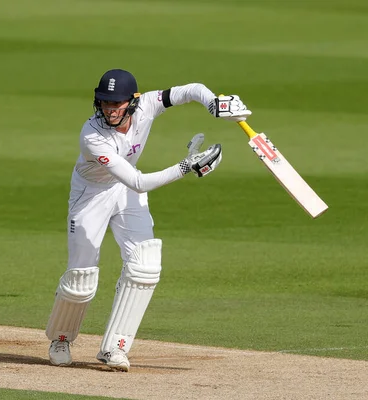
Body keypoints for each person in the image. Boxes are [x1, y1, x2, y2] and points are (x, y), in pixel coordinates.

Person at [45, 69, 251, 372]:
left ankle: (115, 348)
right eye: (104, 103)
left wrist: (214, 104)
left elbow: (191, 88)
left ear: (133, 101)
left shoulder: (148, 105)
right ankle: (61, 338)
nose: (110, 110)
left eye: (116, 104)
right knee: (82, 277)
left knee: (145, 266)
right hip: (91, 197)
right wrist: (186, 166)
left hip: (126, 195)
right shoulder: (92, 136)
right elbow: (138, 182)